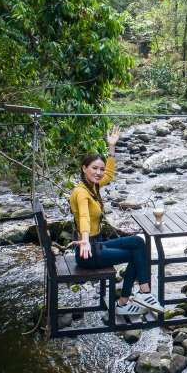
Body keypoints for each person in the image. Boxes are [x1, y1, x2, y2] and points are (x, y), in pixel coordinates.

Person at [70, 126, 164, 316]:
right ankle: (131, 298)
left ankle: (139, 294)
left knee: (138, 242)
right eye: (94, 168)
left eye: (100, 169)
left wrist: (111, 147)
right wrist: (86, 239)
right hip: (88, 252)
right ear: (84, 168)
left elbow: (109, 175)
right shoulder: (81, 192)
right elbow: (84, 216)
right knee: (136, 255)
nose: (98, 172)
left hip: (98, 244)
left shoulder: (93, 186)